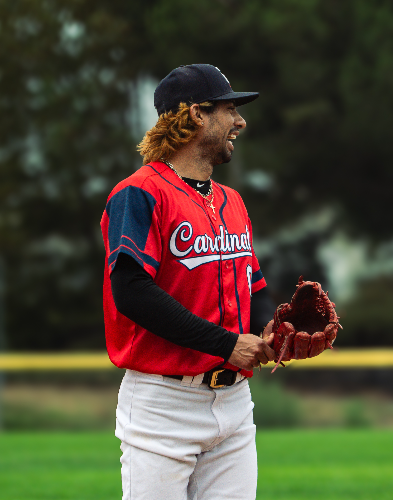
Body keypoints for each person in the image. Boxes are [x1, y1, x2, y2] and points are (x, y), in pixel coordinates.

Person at [100, 64, 275, 500]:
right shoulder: (139, 192)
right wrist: (226, 344)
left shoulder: (231, 200)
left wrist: (272, 330)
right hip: (164, 403)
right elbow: (131, 291)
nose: (240, 121)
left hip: (235, 404)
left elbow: (252, 285)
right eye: (229, 109)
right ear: (197, 114)